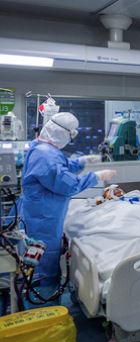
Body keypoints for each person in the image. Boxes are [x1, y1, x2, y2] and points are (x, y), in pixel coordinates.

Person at [20, 112, 116, 306]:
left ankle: (42, 296)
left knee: (40, 259)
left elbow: (62, 167)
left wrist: (84, 161)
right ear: (62, 133)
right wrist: (97, 176)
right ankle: (42, 304)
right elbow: (68, 184)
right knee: (43, 264)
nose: (71, 140)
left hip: (40, 213)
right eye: (71, 135)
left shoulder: (42, 147)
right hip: (43, 219)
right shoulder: (45, 155)